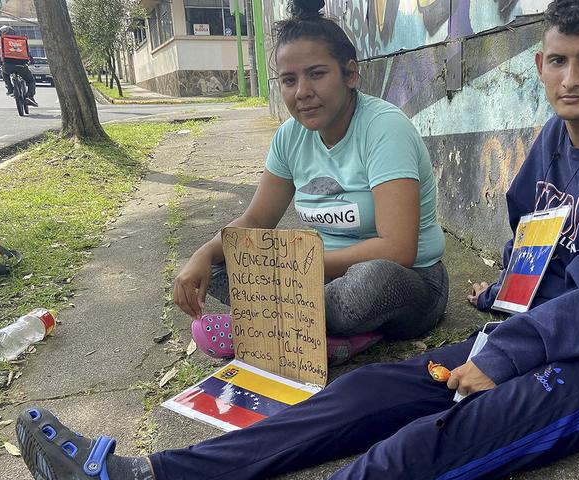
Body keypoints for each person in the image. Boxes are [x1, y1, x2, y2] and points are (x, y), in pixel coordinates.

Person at [13, 0, 579, 480]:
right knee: (363, 393)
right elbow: (536, 238)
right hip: (526, 336)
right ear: (540, 62)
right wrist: (504, 298)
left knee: (416, 449)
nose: (572, 78)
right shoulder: (554, 138)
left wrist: (506, 355)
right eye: (559, 60)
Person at [172, 0, 448, 366]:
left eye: (316, 74)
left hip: (410, 284)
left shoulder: (384, 129)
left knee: (368, 282)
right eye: (289, 80)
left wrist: (300, 269)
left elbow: (398, 249)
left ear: (350, 74)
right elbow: (254, 223)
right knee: (227, 260)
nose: (301, 91)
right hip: (318, 283)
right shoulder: (290, 137)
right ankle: (323, 334)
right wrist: (203, 254)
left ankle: (268, 329)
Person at [0, 25, 38, 107]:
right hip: (21, 65)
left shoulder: (0, 42)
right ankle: (30, 96)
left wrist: (2, 64)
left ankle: (10, 89)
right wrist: (31, 60)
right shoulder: (20, 41)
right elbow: (27, 53)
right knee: (30, 81)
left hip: (7, 65)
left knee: (4, 73)